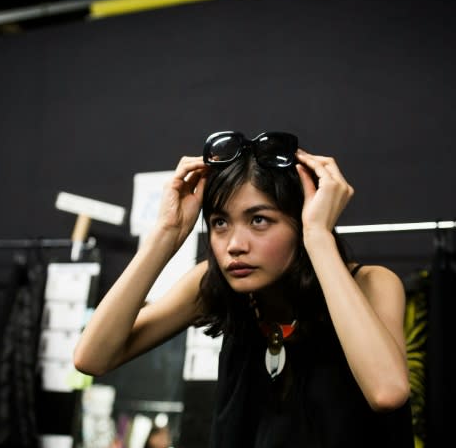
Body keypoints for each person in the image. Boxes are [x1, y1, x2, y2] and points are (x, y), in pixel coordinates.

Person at [73, 131, 414, 447]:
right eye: (220, 222)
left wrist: (318, 237)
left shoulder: (372, 284)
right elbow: (92, 358)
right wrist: (166, 233)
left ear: (303, 218)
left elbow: (387, 393)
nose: (234, 245)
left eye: (259, 220)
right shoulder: (212, 285)